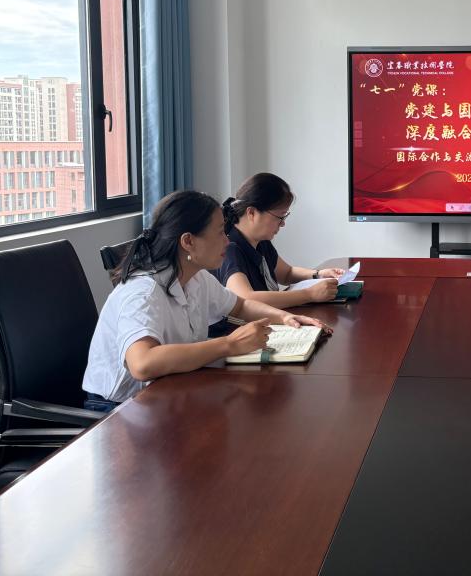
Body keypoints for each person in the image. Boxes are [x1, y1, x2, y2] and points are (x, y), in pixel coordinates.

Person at [82, 190, 331, 410]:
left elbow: (240, 305)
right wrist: (229, 344)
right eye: (220, 232)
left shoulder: (196, 277)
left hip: (168, 390)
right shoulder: (143, 292)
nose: (227, 240)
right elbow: (143, 364)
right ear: (188, 241)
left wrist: (286, 318)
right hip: (119, 408)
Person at [216, 172, 345, 310]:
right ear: (251, 213)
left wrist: (318, 274)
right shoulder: (229, 248)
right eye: (280, 216)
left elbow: (287, 273)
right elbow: (245, 298)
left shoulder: (261, 242)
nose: (283, 224)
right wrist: (309, 294)